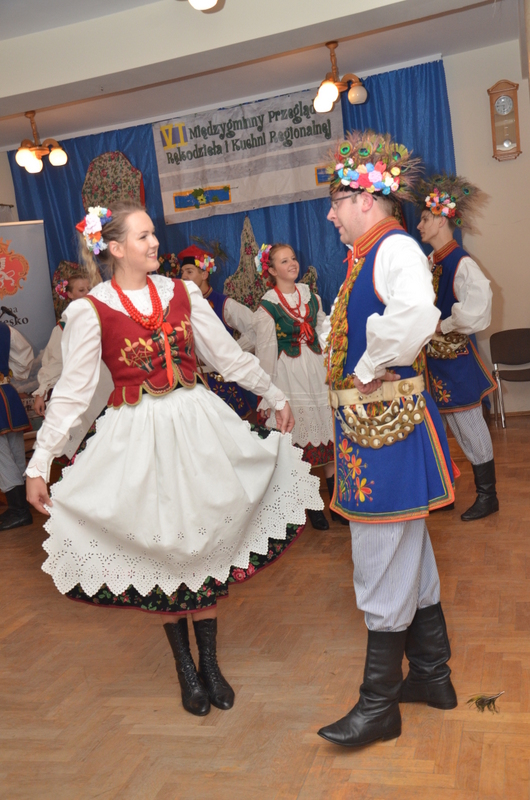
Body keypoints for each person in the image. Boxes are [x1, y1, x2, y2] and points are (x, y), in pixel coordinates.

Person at [25, 201, 322, 718]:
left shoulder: (182, 292)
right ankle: (186, 668)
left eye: (153, 234)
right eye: (142, 236)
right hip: (137, 440)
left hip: (197, 429)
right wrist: (38, 463)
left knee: (203, 540)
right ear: (116, 248)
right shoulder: (90, 309)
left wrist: (273, 393)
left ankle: (211, 664)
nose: (154, 242)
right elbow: (72, 394)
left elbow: (226, 356)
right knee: (163, 547)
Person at [317, 131, 457, 749]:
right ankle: (431, 675)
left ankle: (379, 705)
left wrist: (370, 366)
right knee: (409, 549)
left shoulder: (394, 246)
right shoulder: (368, 253)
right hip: (377, 428)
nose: (330, 215)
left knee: (378, 554)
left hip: (384, 429)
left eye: (335, 203)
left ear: (364, 200)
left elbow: (417, 315)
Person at [416, 175, 498, 521]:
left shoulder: (460, 262)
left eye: (424, 218)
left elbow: (479, 306)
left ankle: (488, 496)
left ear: (440, 219)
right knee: (448, 426)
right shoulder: (432, 261)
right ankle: (447, 492)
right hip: (434, 361)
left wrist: (444, 324)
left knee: (469, 424)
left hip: (455, 360)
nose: (419, 225)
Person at [253, 243, 344, 530]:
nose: (292, 263)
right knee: (300, 440)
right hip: (288, 376)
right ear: (271, 270)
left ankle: (336, 503)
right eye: (283, 261)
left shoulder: (311, 297)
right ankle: (313, 505)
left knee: (326, 434)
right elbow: (266, 353)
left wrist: (333, 367)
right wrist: (267, 394)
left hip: (316, 372)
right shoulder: (268, 307)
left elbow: (325, 335)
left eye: (293, 258)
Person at [178, 244, 256, 418]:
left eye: (189, 271)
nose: (183, 276)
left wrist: (230, 354)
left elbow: (255, 329)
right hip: (192, 387)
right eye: (182, 272)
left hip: (222, 387)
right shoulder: (178, 306)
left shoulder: (224, 304)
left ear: (204, 274)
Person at [33, 270, 91, 419]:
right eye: (81, 290)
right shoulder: (65, 326)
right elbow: (55, 361)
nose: (87, 293)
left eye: (89, 289)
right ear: (70, 294)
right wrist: (41, 393)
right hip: (79, 390)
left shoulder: (100, 319)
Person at [0, 323, 34, 530]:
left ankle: (19, 510)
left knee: (3, 458)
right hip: (7, 393)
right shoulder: (5, 330)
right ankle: (21, 506)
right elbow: (23, 362)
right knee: (15, 453)